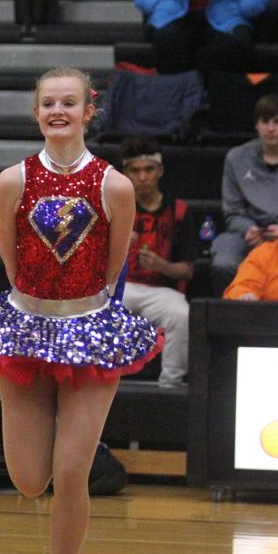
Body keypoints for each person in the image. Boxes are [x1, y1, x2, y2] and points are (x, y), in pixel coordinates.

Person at [0, 67, 162, 554]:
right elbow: (11, 261)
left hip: (90, 329)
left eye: (69, 103)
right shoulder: (12, 181)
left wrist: (77, 311)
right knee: (30, 479)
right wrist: (38, 309)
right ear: (36, 113)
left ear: (88, 112)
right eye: (49, 103)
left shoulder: (115, 185)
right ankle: (51, 436)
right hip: (25, 328)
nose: (58, 111)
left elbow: (113, 267)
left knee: (72, 470)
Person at [120, 134, 197, 387]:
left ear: (160, 171)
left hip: (162, 290)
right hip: (120, 286)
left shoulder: (179, 211)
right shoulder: (114, 209)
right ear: (126, 173)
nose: (142, 177)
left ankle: (171, 384)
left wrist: (160, 265)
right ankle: (96, 384)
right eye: (136, 171)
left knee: (181, 314)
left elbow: (187, 271)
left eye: (149, 170)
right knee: (93, 308)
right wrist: (116, 243)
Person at [210, 92, 278, 295]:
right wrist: (249, 228)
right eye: (265, 121)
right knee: (224, 261)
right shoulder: (236, 158)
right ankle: (230, 309)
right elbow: (232, 211)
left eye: (277, 122)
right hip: (248, 232)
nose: (270, 128)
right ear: (256, 125)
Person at [131, 0, 269, 74]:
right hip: (172, 15)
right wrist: (157, 6)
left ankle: (215, 98)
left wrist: (240, 8)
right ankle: (177, 98)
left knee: (236, 42)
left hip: (228, 17)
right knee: (167, 38)